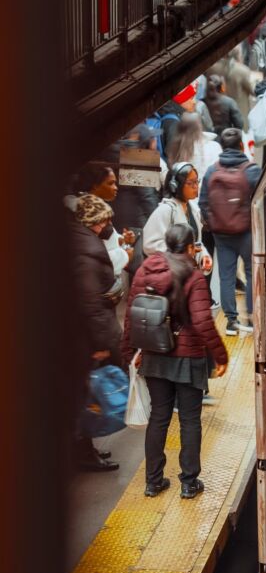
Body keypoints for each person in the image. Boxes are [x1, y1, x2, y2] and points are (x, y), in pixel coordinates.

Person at [122, 224, 229, 498]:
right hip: (187, 356)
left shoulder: (145, 270)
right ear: (190, 246)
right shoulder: (192, 275)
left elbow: (131, 316)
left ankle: (153, 481)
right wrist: (221, 355)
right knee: (190, 420)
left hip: (154, 355)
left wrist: (130, 352)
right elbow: (203, 321)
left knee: (159, 416)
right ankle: (189, 483)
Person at [70, 194, 122, 471]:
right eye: (105, 220)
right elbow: (90, 303)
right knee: (84, 396)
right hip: (83, 337)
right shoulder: (86, 254)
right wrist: (100, 343)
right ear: (95, 222)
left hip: (80, 334)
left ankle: (84, 450)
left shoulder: (80, 243)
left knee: (83, 394)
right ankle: (82, 453)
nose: (108, 225)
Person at [199, 128, 261, 335]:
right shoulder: (251, 170)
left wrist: (214, 222)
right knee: (252, 273)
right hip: (246, 232)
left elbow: (203, 202)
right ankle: (252, 319)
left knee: (226, 275)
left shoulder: (211, 171)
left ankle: (231, 322)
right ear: (242, 146)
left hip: (221, 233)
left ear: (223, 147)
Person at [142, 163, 211, 274]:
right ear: (175, 185)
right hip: (170, 276)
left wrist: (203, 256)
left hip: (187, 274)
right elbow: (149, 245)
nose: (195, 186)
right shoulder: (165, 210)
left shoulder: (194, 209)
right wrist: (182, 252)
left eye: (196, 181)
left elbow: (196, 243)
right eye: (190, 183)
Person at [166, 112, 222, 182]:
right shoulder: (214, 147)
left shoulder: (174, 148)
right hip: (208, 189)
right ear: (200, 127)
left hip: (185, 190)